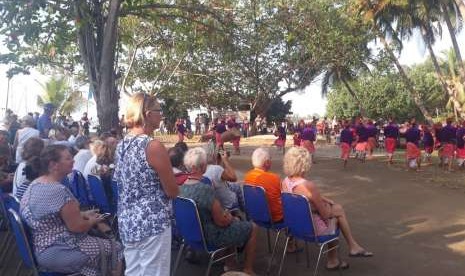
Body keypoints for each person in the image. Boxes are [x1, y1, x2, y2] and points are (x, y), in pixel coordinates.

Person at [20, 145, 123, 275]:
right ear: (54, 165)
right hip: (59, 251)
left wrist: (82, 214)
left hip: (41, 248)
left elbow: (51, 217)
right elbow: (77, 227)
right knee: (117, 248)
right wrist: (92, 220)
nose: (73, 160)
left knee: (101, 242)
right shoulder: (58, 190)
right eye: (68, 158)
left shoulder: (35, 184)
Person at [113, 93, 178, 276]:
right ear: (148, 114)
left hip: (128, 220)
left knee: (134, 271)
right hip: (152, 223)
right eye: (159, 110)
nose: (161, 115)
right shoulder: (153, 146)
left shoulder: (122, 145)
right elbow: (172, 191)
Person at [282, 146, 372, 270]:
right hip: (311, 230)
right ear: (305, 163)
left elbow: (301, 199)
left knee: (336, 209)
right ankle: (334, 259)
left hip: (295, 226)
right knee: (337, 214)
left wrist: (322, 199)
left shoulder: (285, 182)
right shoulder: (308, 185)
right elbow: (324, 214)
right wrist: (331, 208)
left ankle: (352, 246)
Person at [181, 147, 257, 275]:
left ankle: (230, 264)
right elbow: (222, 221)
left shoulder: (180, 188)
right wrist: (232, 218)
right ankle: (248, 269)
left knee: (233, 221)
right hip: (210, 236)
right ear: (202, 166)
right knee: (253, 227)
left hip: (190, 235)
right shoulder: (205, 189)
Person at [243, 147, 283, 223]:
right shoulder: (274, 178)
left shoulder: (247, 176)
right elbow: (282, 197)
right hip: (275, 218)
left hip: (256, 214)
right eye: (270, 159)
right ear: (267, 162)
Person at [203, 142, 243, 212]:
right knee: (236, 187)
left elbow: (220, 175)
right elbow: (234, 178)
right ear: (214, 154)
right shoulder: (216, 169)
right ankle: (243, 212)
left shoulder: (201, 168)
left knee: (235, 186)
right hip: (228, 205)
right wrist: (226, 161)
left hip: (215, 202)